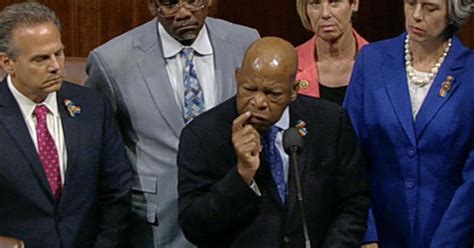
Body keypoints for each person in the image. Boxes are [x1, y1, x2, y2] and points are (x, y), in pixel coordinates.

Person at [85, 0, 260, 246]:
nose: (184, 13)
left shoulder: (246, 42)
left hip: (235, 210)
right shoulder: (112, 62)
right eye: (170, 3)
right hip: (158, 221)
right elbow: (99, 151)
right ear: (152, 5)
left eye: (193, 1)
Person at [177, 37, 370, 247]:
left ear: (294, 91)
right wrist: (241, 176)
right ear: (237, 77)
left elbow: (353, 204)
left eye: (273, 94)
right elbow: (194, 227)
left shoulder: (330, 123)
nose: (258, 102)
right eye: (249, 89)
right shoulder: (202, 135)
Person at [0, 2, 133, 248]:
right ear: (7, 63)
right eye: (40, 59)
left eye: (58, 53)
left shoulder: (93, 106)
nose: (55, 66)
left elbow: (116, 191)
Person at [344, 0, 474, 247]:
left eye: (430, 8)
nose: (416, 15)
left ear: (454, 13)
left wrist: (448, 242)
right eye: (411, 3)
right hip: (379, 235)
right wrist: (366, 233)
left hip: (447, 235)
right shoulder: (371, 60)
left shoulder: (470, 72)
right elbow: (350, 155)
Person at [295, 0, 368, 105]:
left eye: (335, 2)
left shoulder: (379, 63)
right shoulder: (289, 65)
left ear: (354, 4)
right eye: (315, 3)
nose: (325, 14)